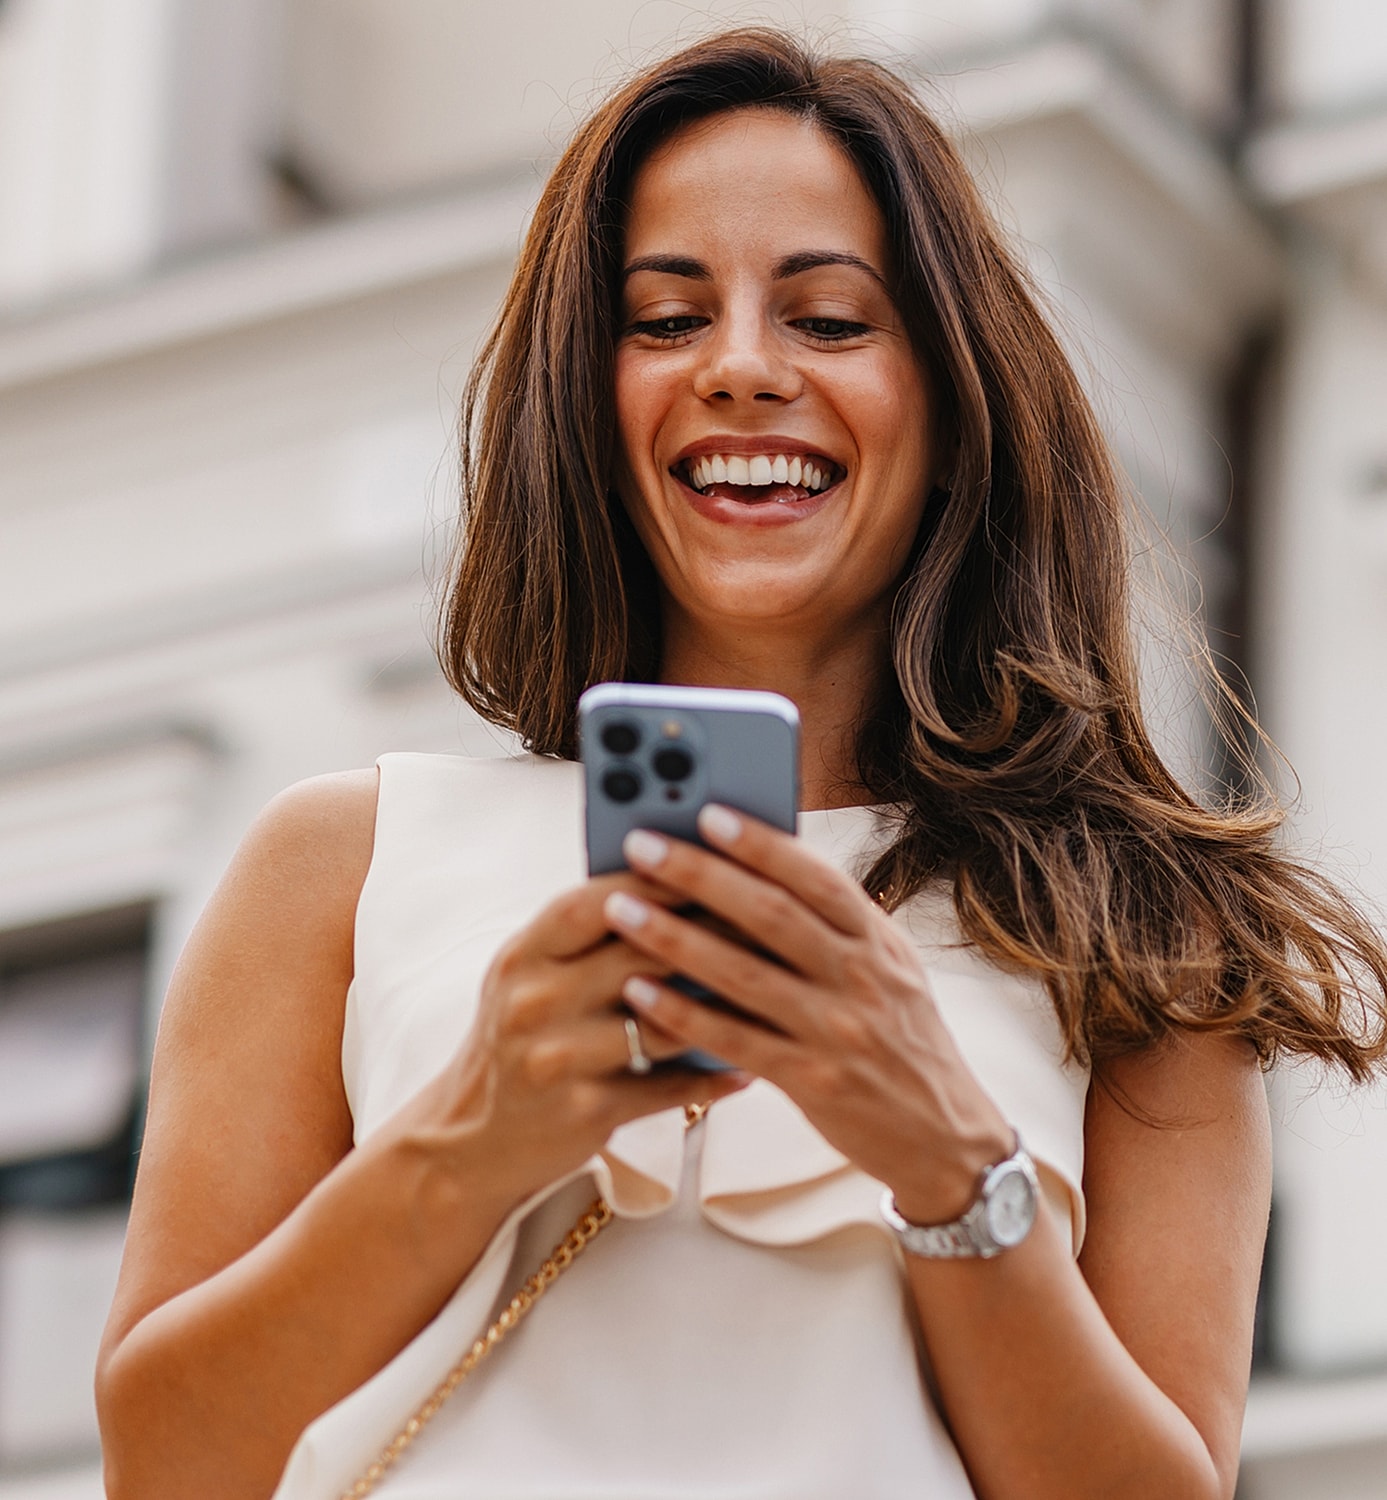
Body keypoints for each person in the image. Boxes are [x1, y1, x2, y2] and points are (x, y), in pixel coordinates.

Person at [96, 27, 1387, 1500]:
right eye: (663, 320)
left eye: (831, 320)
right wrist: (473, 1137)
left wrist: (953, 1162)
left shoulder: (1140, 942)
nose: (742, 370)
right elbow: (164, 1464)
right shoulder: (340, 868)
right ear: (585, 402)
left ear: (954, 404)